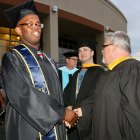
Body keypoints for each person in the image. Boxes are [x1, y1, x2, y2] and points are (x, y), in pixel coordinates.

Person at [2, 0, 78, 140]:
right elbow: (22, 94)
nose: (36, 28)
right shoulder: (12, 57)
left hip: (57, 126)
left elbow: (56, 95)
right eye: (30, 24)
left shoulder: (48, 60)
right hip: (28, 129)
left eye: (38, 24)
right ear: (19, 30)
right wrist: (62, 114)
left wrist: (66, 111)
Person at [93, 31, 140, 140]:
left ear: (113, 47)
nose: (101, 50)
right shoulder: (109, 72)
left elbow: (135, 117)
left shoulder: (132, 70)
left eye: (103, 46)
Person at [63, 39, 105, 140]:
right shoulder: (77, 73)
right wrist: (68, 105)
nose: (82, 53)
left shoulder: (99, 71)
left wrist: (83, 109)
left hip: (88, 118)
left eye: (85, 50)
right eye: (80, 51)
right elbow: (67, 92)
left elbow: (97, 95)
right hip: (73, 119)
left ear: (92, 53)